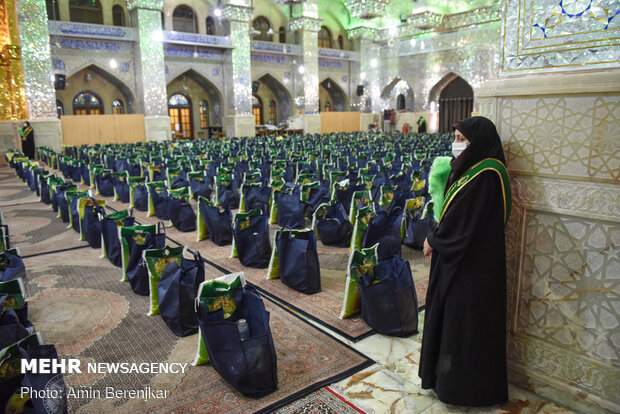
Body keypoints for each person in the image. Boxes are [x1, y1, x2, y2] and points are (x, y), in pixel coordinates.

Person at [418, 116, 512, 407]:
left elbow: (464, 221)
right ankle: (446, 381)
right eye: (456, 138)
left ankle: (464, 390)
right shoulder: (476, 170)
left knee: (465, 329)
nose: (456, 145)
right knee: (454, 326)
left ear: (478, 142)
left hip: (473, 268)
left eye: (461, 139)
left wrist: (434, 239)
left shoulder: (487, 174)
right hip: (465, 262)